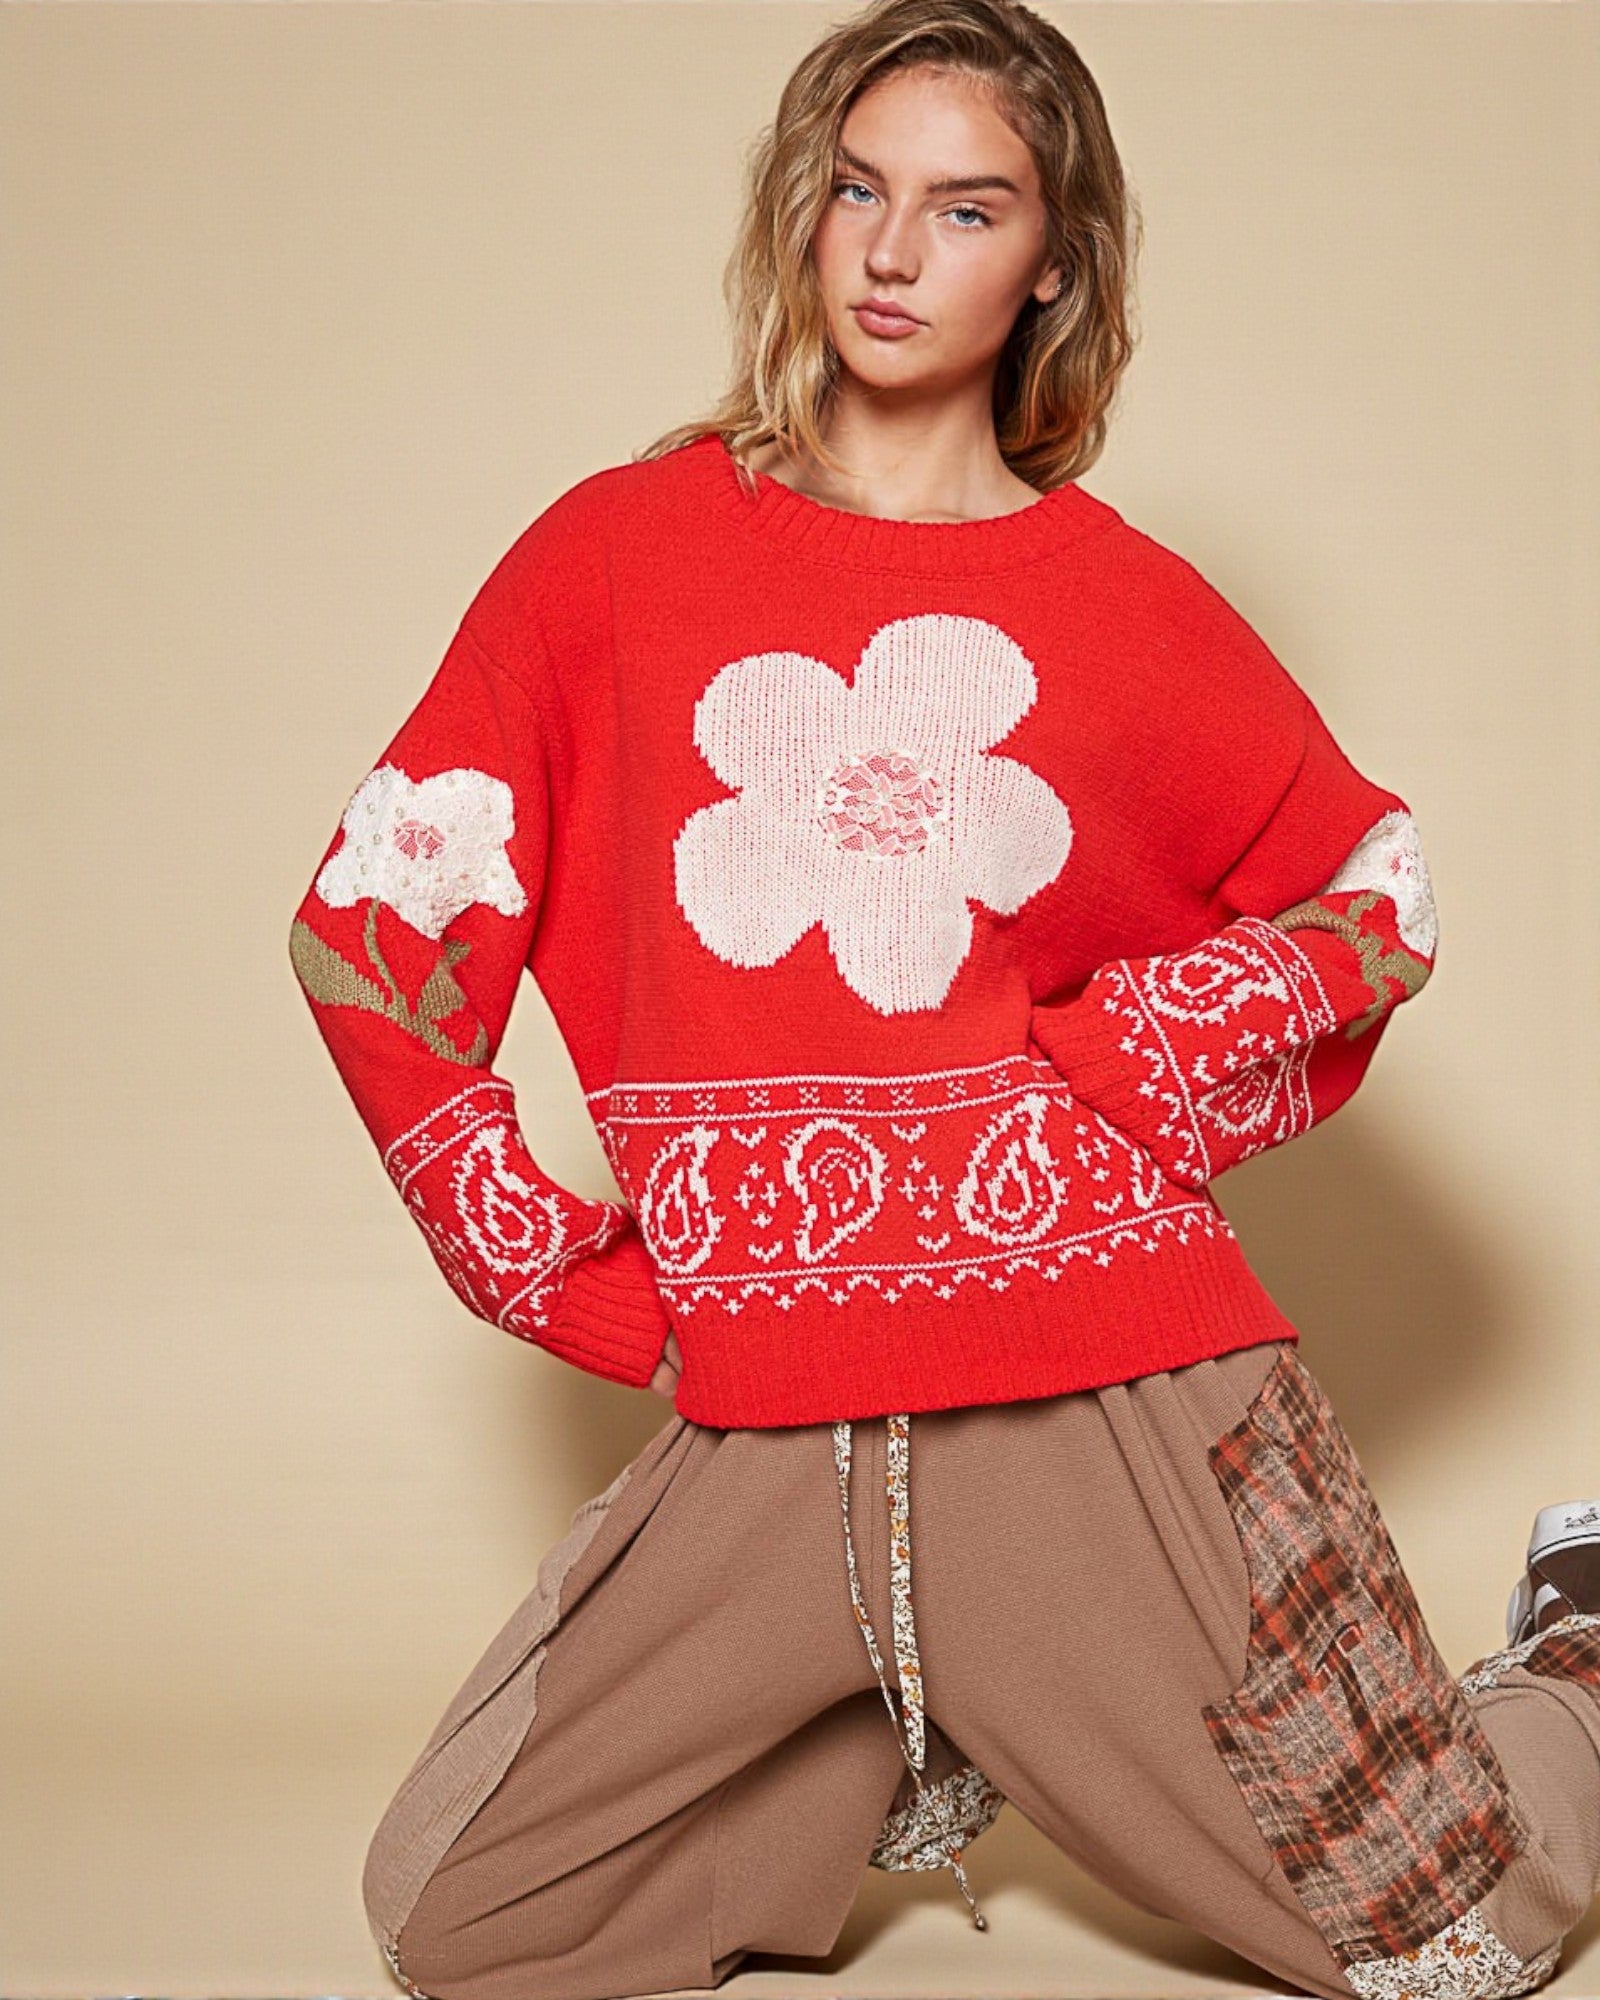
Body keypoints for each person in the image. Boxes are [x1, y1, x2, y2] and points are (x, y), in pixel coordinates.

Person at [286, 3, 1600, 1997]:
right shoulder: (611, 560)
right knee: (465, 1921)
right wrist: (546, 1269)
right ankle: (917, 1715)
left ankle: (1576, 1650)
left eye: (964, 206)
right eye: (853, 191)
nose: (893, 253)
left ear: (1050, 260)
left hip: (1097, 1397)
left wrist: (1111, 1068)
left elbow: (1368, 893)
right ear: (801, 220)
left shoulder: (1127, 607)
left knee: (1458, 1950)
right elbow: (374, 927)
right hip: (763, 1413)